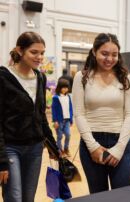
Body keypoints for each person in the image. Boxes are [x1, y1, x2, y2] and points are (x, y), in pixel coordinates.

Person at [72, 33, 130, 194]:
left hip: (120, 140)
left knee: (122, 194)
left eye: (114, 54)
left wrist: (120, 148)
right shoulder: (82, 77)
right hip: (92, 143)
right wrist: (93, 147)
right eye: (104, 53)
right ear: (94, 52)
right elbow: (79, 114)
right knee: (98, 195)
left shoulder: (125, 78)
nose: (109, 59)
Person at [0, 31, 58, 201]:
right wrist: (1, 160)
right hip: (10, 148)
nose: (39, 57)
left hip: (35, 149)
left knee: (28, 198)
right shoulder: (3, 77)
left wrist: (53, 145)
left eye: (42, 53)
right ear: (20, 50)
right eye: (34, 52)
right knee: (14, 198)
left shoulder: (41, 78)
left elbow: (40, 116)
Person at [52, 78, 73, 156]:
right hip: (59, 121)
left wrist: (71, 119)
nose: (65, 89)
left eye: (66, 87)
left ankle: (66, 149)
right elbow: (54, 109)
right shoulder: (56, 98)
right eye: (63, 87)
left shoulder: (68, 97)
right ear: (59, 87)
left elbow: (70, 108)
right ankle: (60, 150)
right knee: (59, 136)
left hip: (67, 120)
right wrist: (55, 121)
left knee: (68, 135)